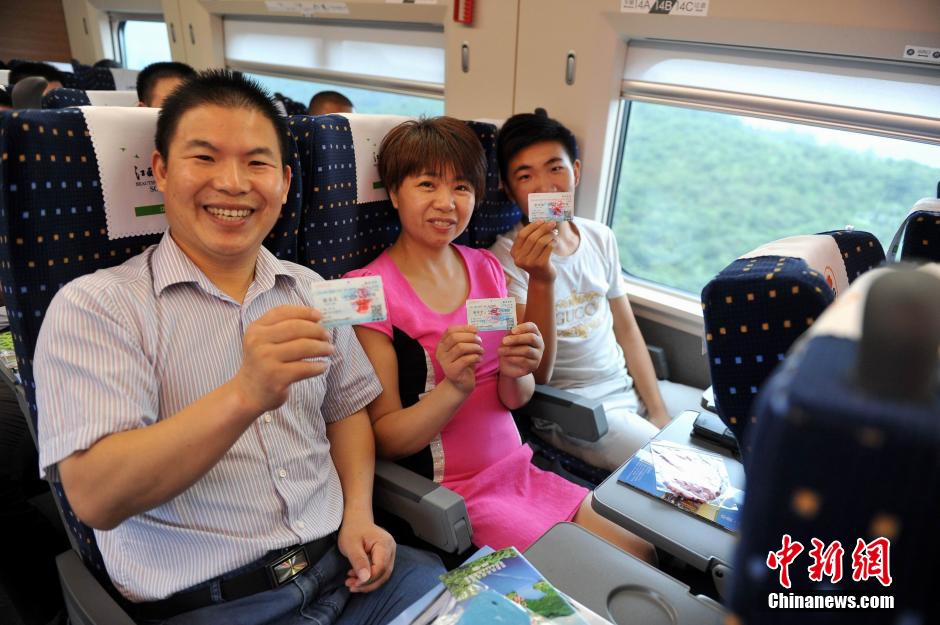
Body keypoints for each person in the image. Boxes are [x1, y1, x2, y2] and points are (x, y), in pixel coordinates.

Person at [34, 70, 443, 625]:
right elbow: (96, 498)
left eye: (256, 163)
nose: (232, 183)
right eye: (204, 158)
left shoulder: (309, 289)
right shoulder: (97, 307)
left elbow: (345, 411)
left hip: (347, 570)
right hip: (221, 604)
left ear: (285, 182)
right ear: (160, 171)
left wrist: (358, 515)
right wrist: (246, 394)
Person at [346, 117, 654, 561]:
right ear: (394, 193)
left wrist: (516, 371)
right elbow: (386, 438)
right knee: (596, 571)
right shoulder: (365, 290)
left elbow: (515, 397)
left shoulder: (486, 267)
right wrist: (454, 388)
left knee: (641, 551)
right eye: (427, 184)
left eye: (462, 187)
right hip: (456, 493)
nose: (446, 203)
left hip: (521, 469)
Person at [490, 110, 702, 472]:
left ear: (575, 171)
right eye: (525, 176)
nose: (544, 186)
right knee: (679, 468)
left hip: (625, 388)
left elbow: (626, 330)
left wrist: (656, 409)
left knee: (724, 421)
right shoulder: (506, 258)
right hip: (574, 412)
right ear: (508, 191)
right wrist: (541, 276)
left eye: (555, 168)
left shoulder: (600, 237)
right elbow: (536, 371)